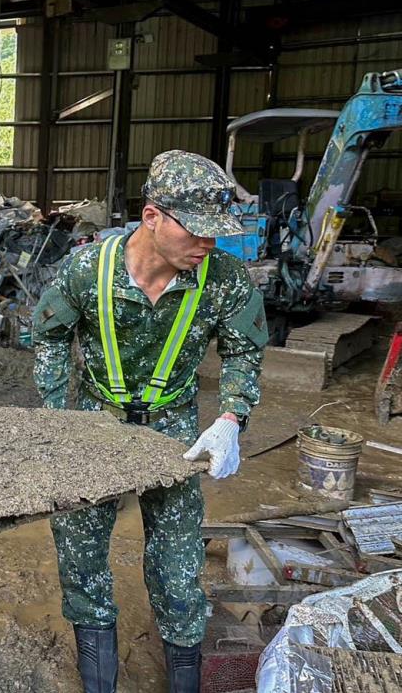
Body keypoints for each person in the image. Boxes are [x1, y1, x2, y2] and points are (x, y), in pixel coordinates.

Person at [33, 150, 268, 693]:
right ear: (152, 216)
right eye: (197, 229)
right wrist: (55, 420)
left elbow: (243, 351)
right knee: (82, 556)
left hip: (175, 432)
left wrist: (231, 416)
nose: (208, 243)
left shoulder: (225, 280)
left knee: (179, 568)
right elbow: (48, 337)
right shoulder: (87, 270)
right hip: (94, 428)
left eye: (216, 231)